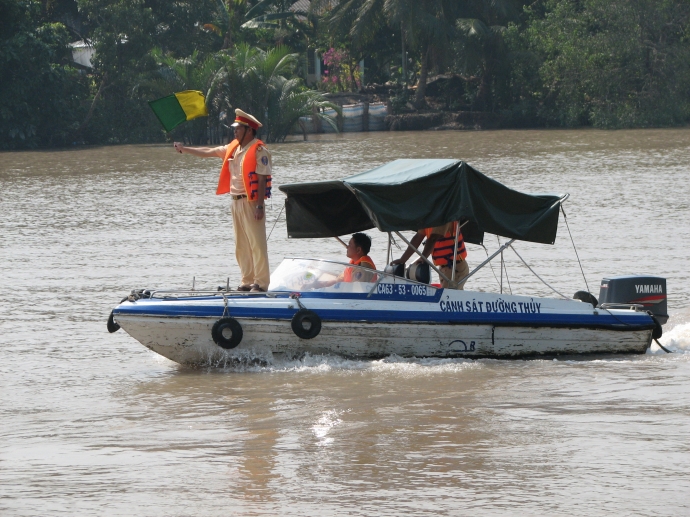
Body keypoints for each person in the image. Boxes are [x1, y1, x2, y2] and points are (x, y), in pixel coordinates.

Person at [174, 109, 272, 292]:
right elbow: (209, 151)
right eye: (234, 128)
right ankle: (247, 281)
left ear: (249, 130)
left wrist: (260, 205)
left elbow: (262, 178)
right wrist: (185, 149)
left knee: (257, 244)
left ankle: (261, 283)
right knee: (241, 245)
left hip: (251, 202)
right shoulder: (234, 147)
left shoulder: (259, 150)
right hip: (235, 201)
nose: (234, 131)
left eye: (238, 128)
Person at [392, 222, 469, 289]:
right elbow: (418, 236)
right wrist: (402, 260)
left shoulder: (444, 216)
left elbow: (433, 238)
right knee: (451, 296)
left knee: (449, 298)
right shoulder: (429, 218)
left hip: (455, 267)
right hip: (444, 268)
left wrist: (423, 257)